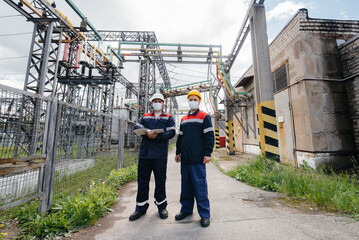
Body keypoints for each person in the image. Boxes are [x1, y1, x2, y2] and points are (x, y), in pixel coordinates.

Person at [129, 93, 176, 221]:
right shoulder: (145, 116)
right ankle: (140, 208)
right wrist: (146, 133)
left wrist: (158, 136)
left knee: (160, 180)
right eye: (155, 101)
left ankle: (161, 206)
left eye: (159, 101)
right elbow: (137, 127)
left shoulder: (168, 117)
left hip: (159, 155)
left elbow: (171, 132)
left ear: (163, 103)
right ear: (152, 103)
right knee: (142, 180)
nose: (157, 103)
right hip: (145, 154)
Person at [174, 90, 214, 228]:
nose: (192, 101)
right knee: (186, 187)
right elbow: (180, 137)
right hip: (185, 158)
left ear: (199, 101)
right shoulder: (184, 119)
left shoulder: (204, 116)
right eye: (190, 99)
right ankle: (186, 209)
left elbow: (209, 136)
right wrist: (178, 152)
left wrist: (208, 153)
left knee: (200, 187)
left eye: (194, 99)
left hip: (198, 158)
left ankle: (205, 214)